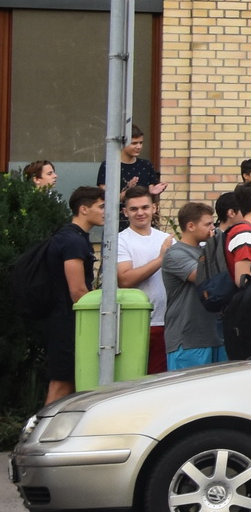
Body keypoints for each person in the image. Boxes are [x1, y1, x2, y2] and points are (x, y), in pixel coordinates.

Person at [34, 187, 105, 405]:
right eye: (101, 207)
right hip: (66, 323)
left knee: (72, 384)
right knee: (62, 384)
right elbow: (78, 291)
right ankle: (42, 427)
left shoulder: (73, 237)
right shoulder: (73, 241)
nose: (105, 212)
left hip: (65, 321)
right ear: (84, 209)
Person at [115, 189, 172, 374]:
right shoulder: (120, 240)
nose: (140, 213)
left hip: (166, 323)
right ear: (125, 212)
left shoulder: (166, 239)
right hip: (134, 323)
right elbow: (125, 280)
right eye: (134, 209)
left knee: (160, 380)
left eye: (145, 207)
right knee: (133, 378)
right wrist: (160, 259)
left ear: (154, 208)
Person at [161, 201, 223, 370]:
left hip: (213, 336)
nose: (213, 228)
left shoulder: (205, 251)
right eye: (208, 224)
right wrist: (216, 247)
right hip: (188, 340)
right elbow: (202, 276)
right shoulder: (175, 254)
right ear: (190, 226)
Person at [117, 127, 160, 199]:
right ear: (123, 144)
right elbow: (105, 199)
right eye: (134, 143)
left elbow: (150, 194)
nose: (139, 147)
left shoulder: (146, 165)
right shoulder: (109, 166)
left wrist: (153, 193)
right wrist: (127, 190)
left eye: (141, 143)